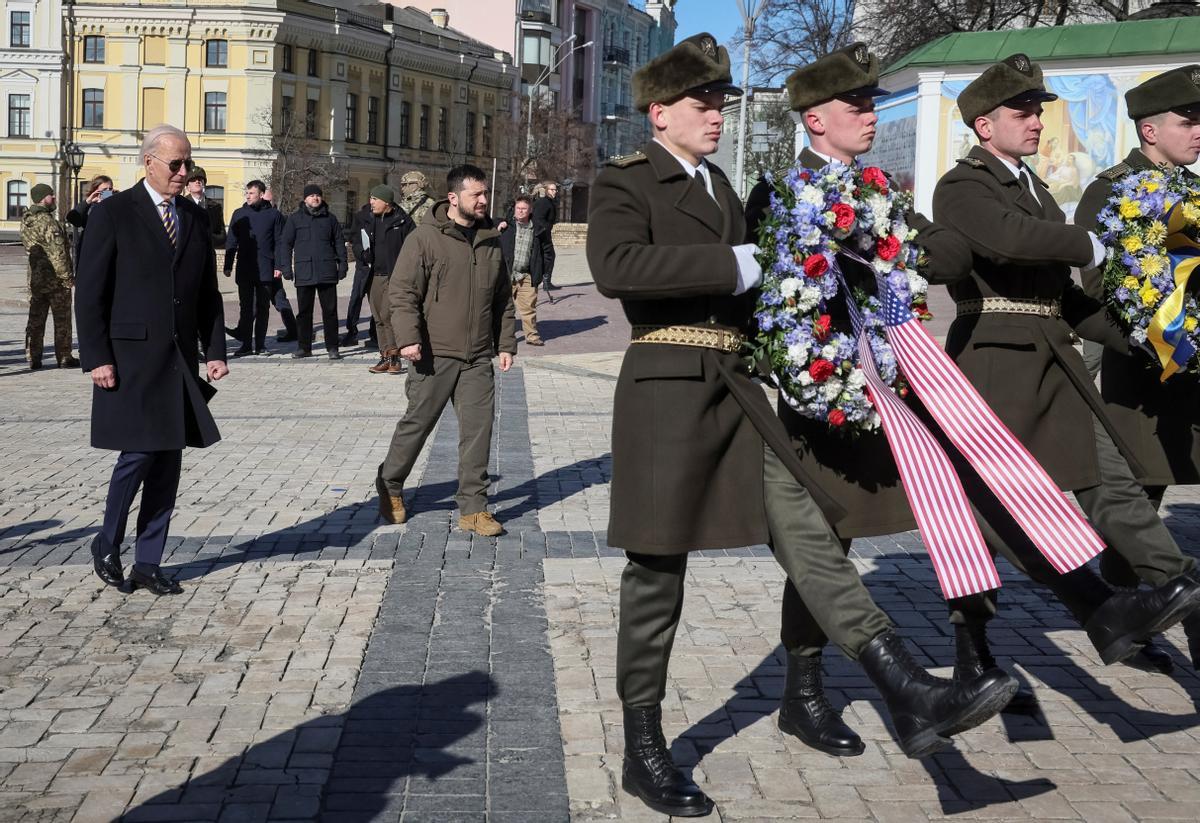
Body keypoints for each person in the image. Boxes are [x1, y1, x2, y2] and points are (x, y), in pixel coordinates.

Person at [588, 33, 1017, 817]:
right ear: (659, 114)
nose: (716, 114)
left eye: (720, 101)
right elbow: (617, 269)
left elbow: (784, 292)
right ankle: (643, 746)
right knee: (657, 573)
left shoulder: (721, 184)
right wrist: (735, 266)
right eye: (701, 103)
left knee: (809, 533)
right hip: (666, 386)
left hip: (742, 391)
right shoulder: (627, 181)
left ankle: (904, 682)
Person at [743, 45, 1193, 758]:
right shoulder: (777, 194)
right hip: (820, 392)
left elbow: (945, 254)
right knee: (831, 539)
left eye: (869, 102)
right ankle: (805, 691)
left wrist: (892, 244)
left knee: (971, 504)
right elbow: (764, 299)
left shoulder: (880, 191)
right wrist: (830, 256)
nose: (868, 114)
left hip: (890, 382)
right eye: (856, 105)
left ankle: (1096, 608)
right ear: (814, 119)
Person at [932, 54, 1200, 660]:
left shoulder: (1035, 188)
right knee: (990, 508)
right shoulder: (963, 187)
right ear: (983, 125)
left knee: (1110, 478)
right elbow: (1009, 238)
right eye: (1021, 111)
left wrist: (1151, 338)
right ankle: (973, 647)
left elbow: (1067, 301)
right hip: (994, 362)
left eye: (1038, 110)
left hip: (1056, 363)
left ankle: (1176, 583)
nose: (1035, 121)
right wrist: (1091, 242)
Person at [1075, 65, 1200, 667]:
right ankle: (1136, 612)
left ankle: (1139, 610)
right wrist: (1162, 336)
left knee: (1160, 479)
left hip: (1194, 369)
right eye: (1188, 121)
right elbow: (1100, 283)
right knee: (1141, 487)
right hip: (1141, 369)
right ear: (1150, 129)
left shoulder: (1194, 190)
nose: (1198, 131)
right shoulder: (1113, 188)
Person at [74, 124, 227, 597]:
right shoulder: (114, 213)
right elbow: (91, 292)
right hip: (130, 357)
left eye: (188, 165)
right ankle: (107, 541)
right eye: (175, 165)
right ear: (149, 163)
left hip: (177, 359)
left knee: (168, 462)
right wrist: (96, 357)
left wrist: (215, 349)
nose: (184, 173)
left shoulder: (194, 217)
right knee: (137, 455)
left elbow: (205, 292)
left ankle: (148, 562)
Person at [376, 165, 516, 537]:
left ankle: (474, 508)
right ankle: (390, 484)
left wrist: (505, 343)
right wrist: (408, 338)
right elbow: (402, 292)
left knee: (478, 432)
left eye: (485, 193)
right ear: (454, 198)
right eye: (476, 195)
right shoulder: (424, 238)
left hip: (477, 357)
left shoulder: (490, 240)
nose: (484, 200)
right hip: (432, 355)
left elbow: (502, 298)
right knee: (417, 425)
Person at [224, 180, 297, 355]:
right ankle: (246, 345)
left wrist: (279, 265)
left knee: (263, 308)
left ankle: (261, 345)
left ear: (262, 194)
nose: (248, 196)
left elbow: (280, 242)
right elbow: (231, 241)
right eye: (246, 193)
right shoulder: (239, 214)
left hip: (266, 268)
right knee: (247, 308)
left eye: (251, 193)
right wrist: (227, 265)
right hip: (245, 268)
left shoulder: (274, 215)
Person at [277, 184, 347, 360]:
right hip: (304, 271)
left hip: (327, 271)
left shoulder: (330, 219)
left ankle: (332, 347)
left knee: (330, 312)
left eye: (318, 195)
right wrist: (286, 267)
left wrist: (343, 265)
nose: (315, 198)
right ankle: (304, 347)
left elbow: (339, 242)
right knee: (304, 313)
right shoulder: (294, 219)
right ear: (305, 199)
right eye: (311, 195)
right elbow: (285, 244)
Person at [20, 183, 79, 370]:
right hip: (54, 280)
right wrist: (67, 278)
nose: (53, 198)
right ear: (43, 197)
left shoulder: (26, 219)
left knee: (36, 319)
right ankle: (64, 356)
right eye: (51, 195)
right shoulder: (47, 222)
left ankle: (33, 356)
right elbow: (58, 253)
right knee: (62, 319)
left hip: (35, 279)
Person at [363, 184, 418, 375]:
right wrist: (362, 254)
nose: (371, 203)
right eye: (371, 198)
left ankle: (395, 357)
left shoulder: (403, 221)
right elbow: (357, 239)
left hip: (394, 276)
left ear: (386, 202)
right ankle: (384, 356)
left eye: (375, 199)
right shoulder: (369, 219)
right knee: (378, 317)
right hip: (373, 275)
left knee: (388, 316)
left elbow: (414, 249)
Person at [499, 194, 545, 346]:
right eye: (518, 208)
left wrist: (543, 271)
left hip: (526, 274)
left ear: (530, 210)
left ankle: (532, 336)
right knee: (503, 309)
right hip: (506, 274)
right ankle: (501, 338)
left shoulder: (537, 229)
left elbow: (548, 251)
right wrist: (501, 224)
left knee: (528, 308)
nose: (520, 211)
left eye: (523, 209)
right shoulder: (506, 226)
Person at [343, 199, 376, 349]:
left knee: (377, 302)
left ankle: (375, 333)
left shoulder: (390, 215)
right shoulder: (360, 216)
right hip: (363, 266)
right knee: (356, 298)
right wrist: (362, 253)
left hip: (380, 267)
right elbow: (353, 240)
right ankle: (351, 332)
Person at [66, 174, 114, 263]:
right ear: (96, 191)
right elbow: (72, 217)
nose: (108, 192)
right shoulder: (89, 207)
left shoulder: (115, 205)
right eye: (104, 190)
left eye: (110, 189)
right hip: (90, 249)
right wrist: (88, 201)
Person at [184, 166, 227, 249]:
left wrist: (207, 237)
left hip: (208, 254)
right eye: (193, 180)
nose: (197, 181)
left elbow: (222, 236)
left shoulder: (215, 207)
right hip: (189, 254)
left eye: (200, 179)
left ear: (204, 184)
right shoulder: (182, 205)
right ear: (188, 187)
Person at [532, 180, 558, 299]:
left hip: (543, 232)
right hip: (541, 234)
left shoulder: (548, 202)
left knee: (548, 256)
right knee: (549, 255)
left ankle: (546, 282)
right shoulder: (543, 202)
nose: (555, 191)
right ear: (546, 190)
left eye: (555, 189)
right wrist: (543, 230)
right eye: (552, 189)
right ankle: (545, 282)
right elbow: (538, 218)